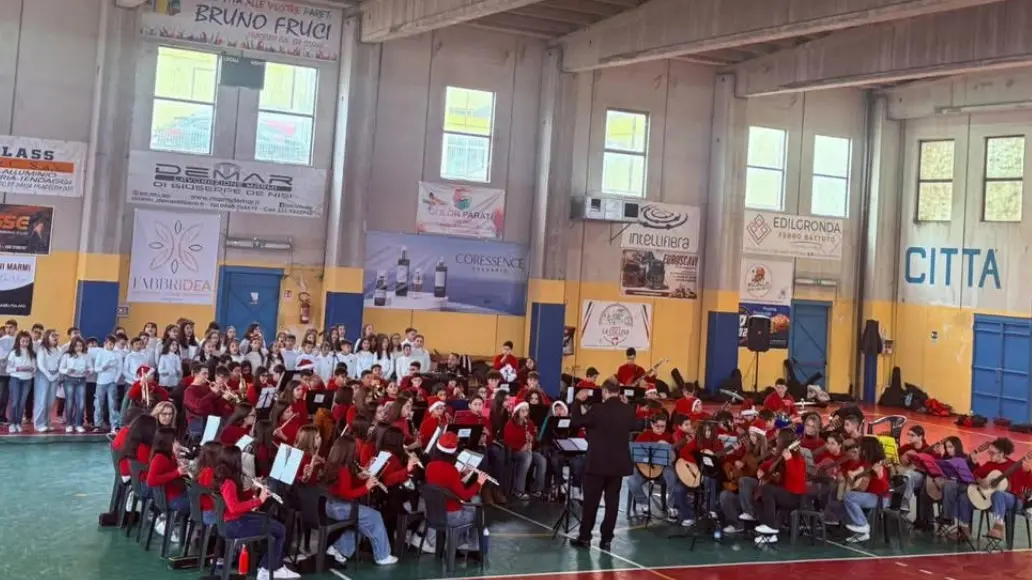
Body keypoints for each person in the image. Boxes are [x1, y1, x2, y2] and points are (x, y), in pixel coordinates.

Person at [570, 380, 637, 550]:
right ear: (619, 392)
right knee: (612, 503)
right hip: (618, 465)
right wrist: (627, 405)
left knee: (591, 502)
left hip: (597, 463)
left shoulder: (598, 409)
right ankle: (607, 539)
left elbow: (576, 421)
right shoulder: (628, 410)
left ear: (605, 391)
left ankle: (585, 537)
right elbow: (632, 425)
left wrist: (577, 401)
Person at [214, 445, 299, 579]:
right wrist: (260, 500)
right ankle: (269, 569)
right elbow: (234, 508)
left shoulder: (223, 477)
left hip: (232, 522)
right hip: (235, 525)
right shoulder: (229, 482)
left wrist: (253, 489)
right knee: (280, 530)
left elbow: (235, 500)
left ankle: (268, 566)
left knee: (275, 525)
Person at [321, 435, 398, 565]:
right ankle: (382, 556)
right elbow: (346, 494)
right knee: (375, 516)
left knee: (364, 522)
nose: (356, 452)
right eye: (355, 449)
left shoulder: (333, 465)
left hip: (331, 506)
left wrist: (360, 477)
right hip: (342, 508)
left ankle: (337, 549)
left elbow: (344, 486)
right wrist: (367, 487)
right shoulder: (343, 470)